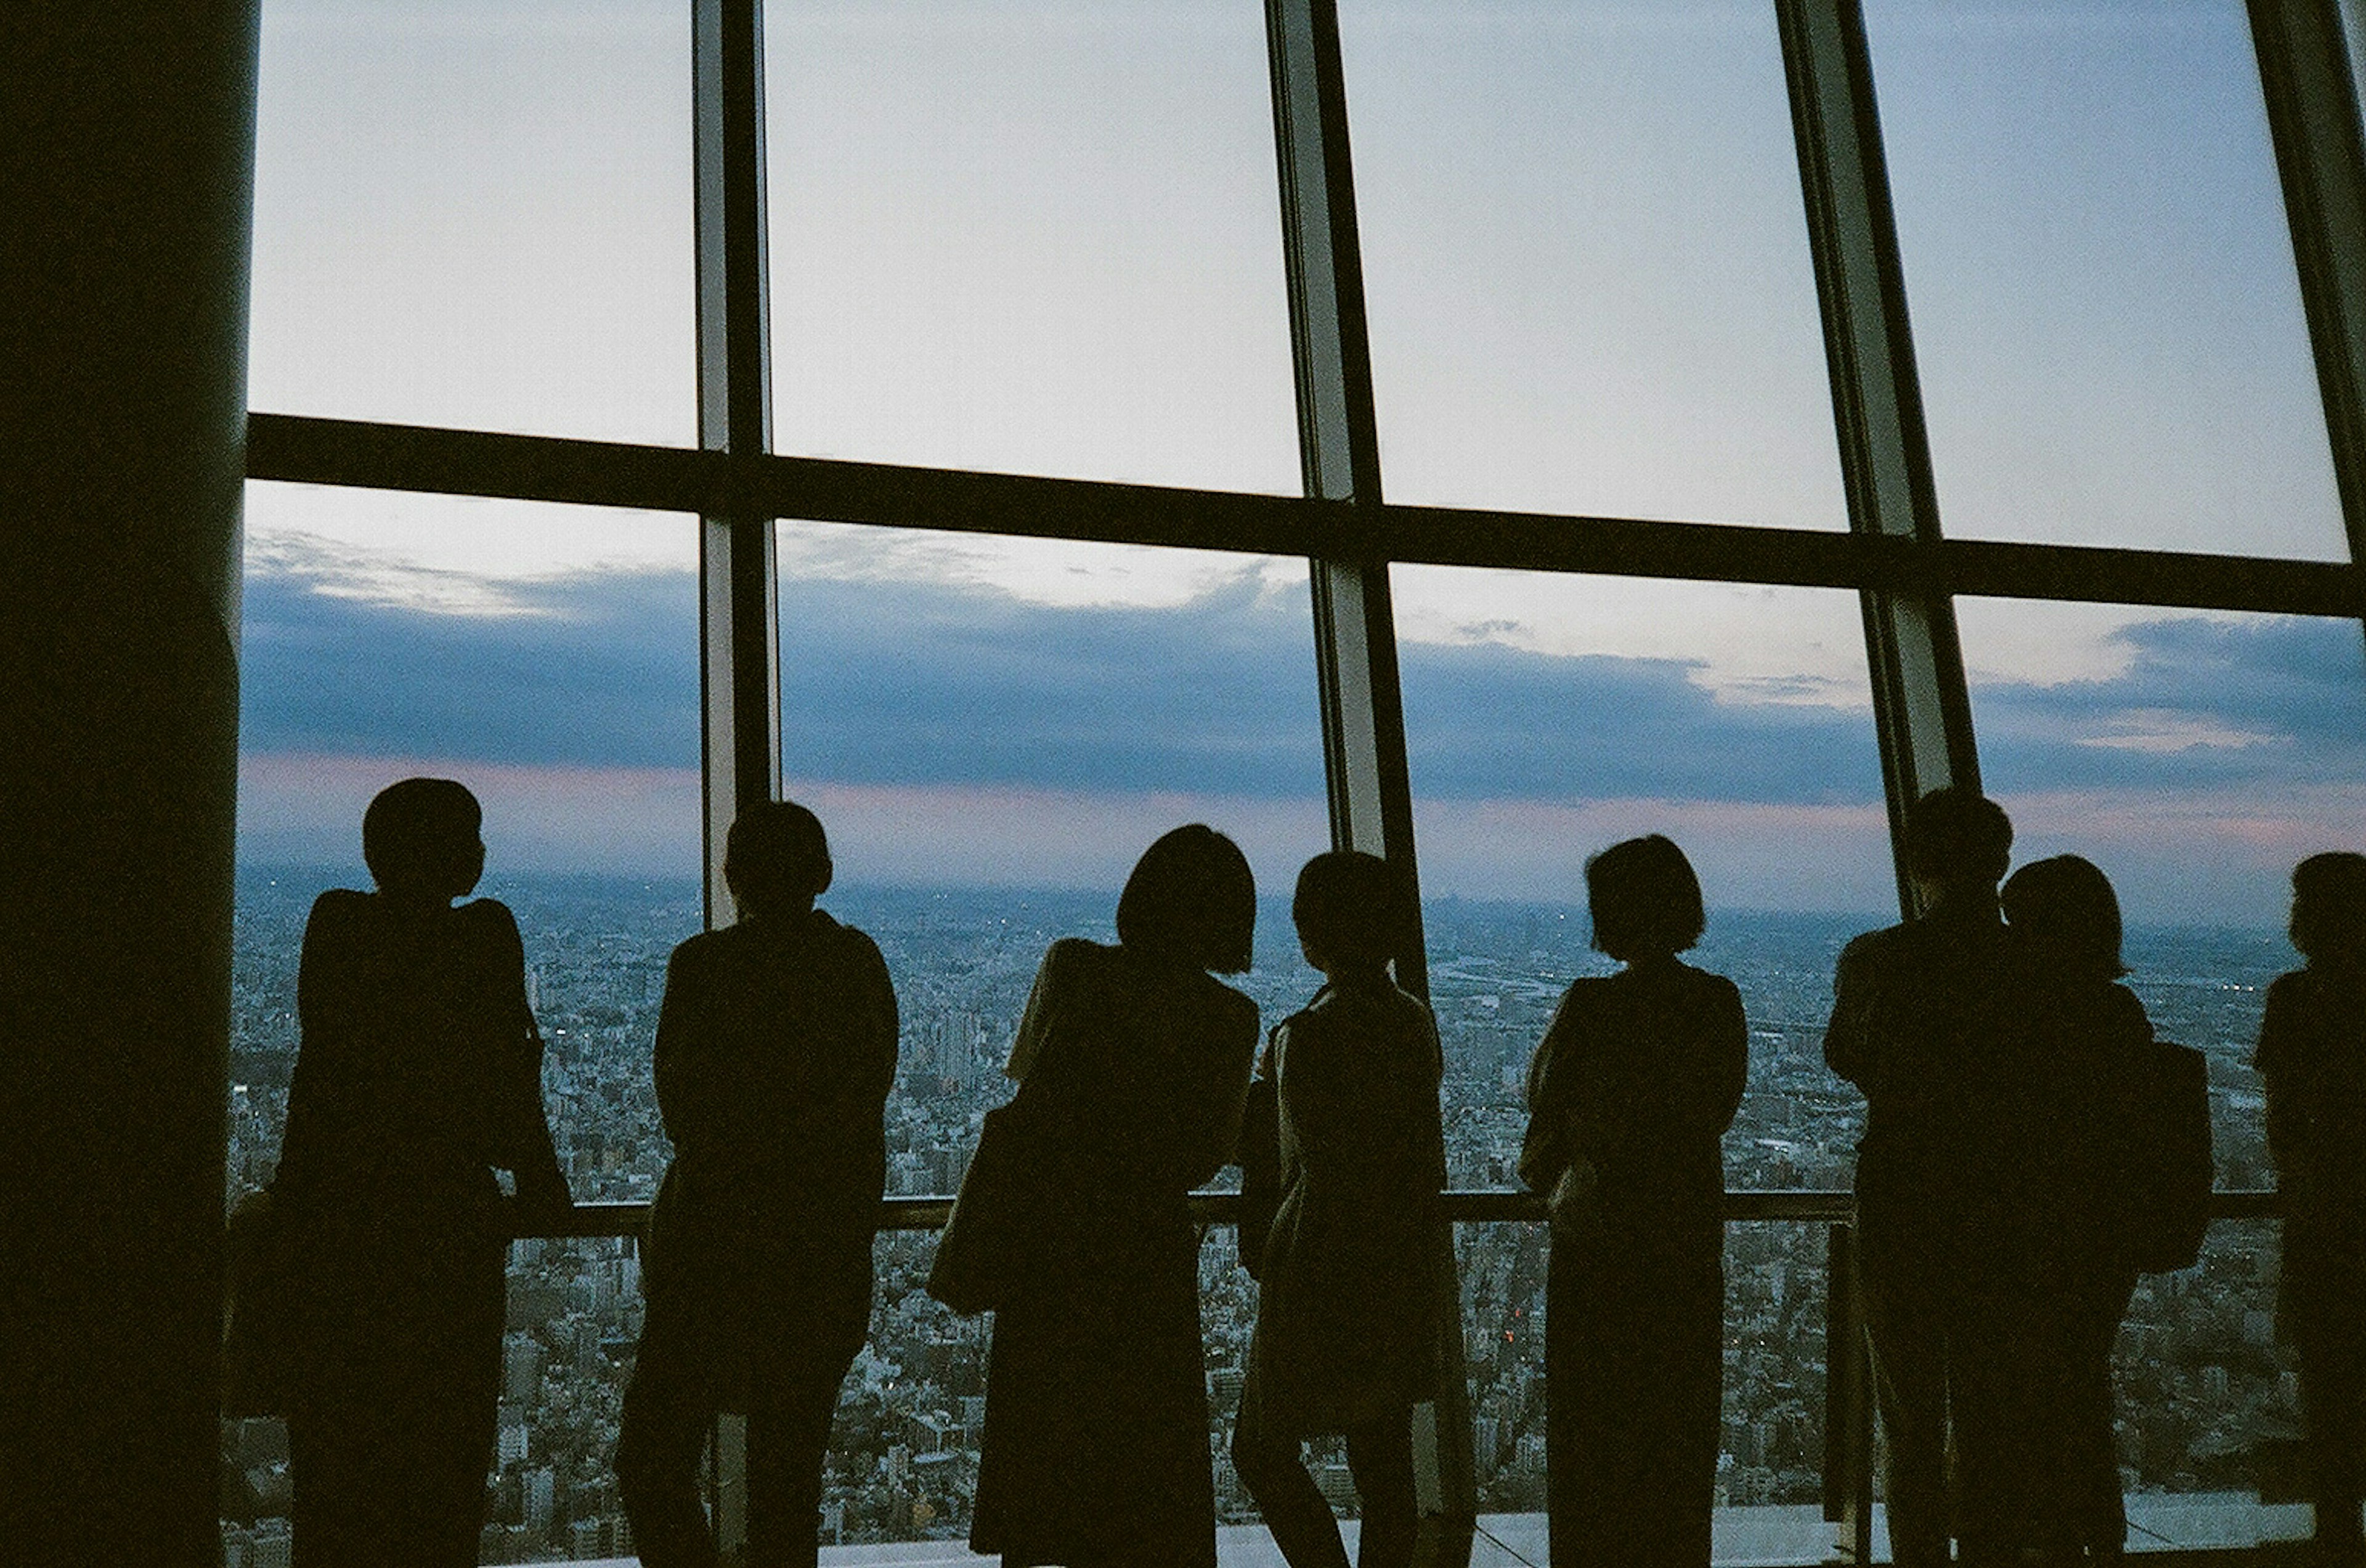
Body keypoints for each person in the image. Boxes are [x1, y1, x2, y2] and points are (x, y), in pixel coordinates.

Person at [274, 778, 571, 1567]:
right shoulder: (484, 937)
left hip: (340, 1237)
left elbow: (320, 1077)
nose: (482, 852)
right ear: (447, 853)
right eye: (470, 837)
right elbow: (511, 1087)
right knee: (441, 1473)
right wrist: (543, 1188)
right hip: (446, 1237)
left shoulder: (335, 925)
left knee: (335, 1473)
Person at [616, 800, 898, 1568]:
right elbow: (867, 1090)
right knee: (787, 1489)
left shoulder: (703, 967)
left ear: (731, 876)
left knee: (650, 1461)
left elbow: (681, 1108)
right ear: (824, 875)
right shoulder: (856, 965)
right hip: (820, 1264)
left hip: (709, 1258)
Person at [971, 825, 1261, 1568]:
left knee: (1045, 1433)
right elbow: (1204, 1155)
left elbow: (1027, 1085)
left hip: (1054, 1237)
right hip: (1145, 1247)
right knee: (1142, 1446)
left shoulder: (1072, 968)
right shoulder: (1230, 1019)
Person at [1520, 834, 1745, 1568]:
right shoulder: (1716, 1003)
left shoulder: (1591, 1005)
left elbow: (1542, 1096)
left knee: (1593, 1438)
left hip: (1598, 1247)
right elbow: (1717, 1109)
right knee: (1676, 1435)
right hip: (1682, 1247)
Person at [1231, 851, 1445, 1568]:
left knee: (1260, 1447)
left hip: (1316, 1257)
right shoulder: (1415, 1023)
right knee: (1385, 1465)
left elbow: (1283, 1153)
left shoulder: (1303, 1034)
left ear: (1311, 933)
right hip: (1397, 1256)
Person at [1823, 786, 2018, 1568]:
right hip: (2007, 1199)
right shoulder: (2032, 963)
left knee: (1909, 1417)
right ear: (2001, 862)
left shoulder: (1880, 959)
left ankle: (1918, 1556)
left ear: (1917, 861)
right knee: (1994, 1407)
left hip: (1904, 1191)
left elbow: (1844, 1053)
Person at [1990, 854, 2158, 1563]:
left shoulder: (2019, 1016)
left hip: (2031, 1231)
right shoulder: (2119, 1013)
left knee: (2034, 1393)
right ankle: (2097, 1533)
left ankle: (2050, 1536)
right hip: (2105, 1234)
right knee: (2080, 1383)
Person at [2257, 851, 2366, 1566]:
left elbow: (2283, 1119)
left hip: (2329, 1216)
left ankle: (2337, 1533)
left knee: (2330, 1386)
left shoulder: (2297, 997)